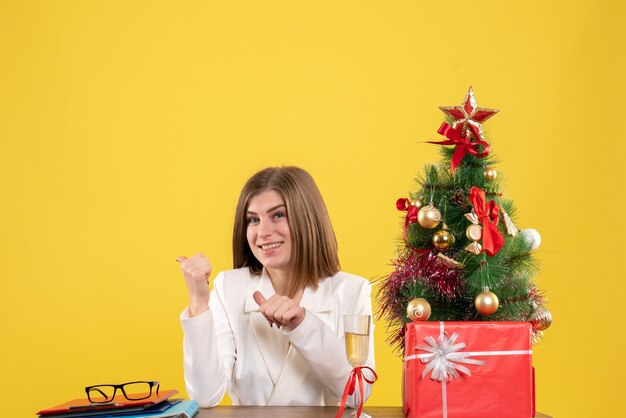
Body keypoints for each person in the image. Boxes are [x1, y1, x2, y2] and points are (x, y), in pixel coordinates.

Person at [177, 166, 375, 408]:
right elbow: (205, 396)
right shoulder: (229, 288)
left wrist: (304, 325)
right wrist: (198, 304)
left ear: (307, 218)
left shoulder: (352, 291)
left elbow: (357, 394)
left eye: (278, 215)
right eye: (253, 219)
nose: (263, 232)